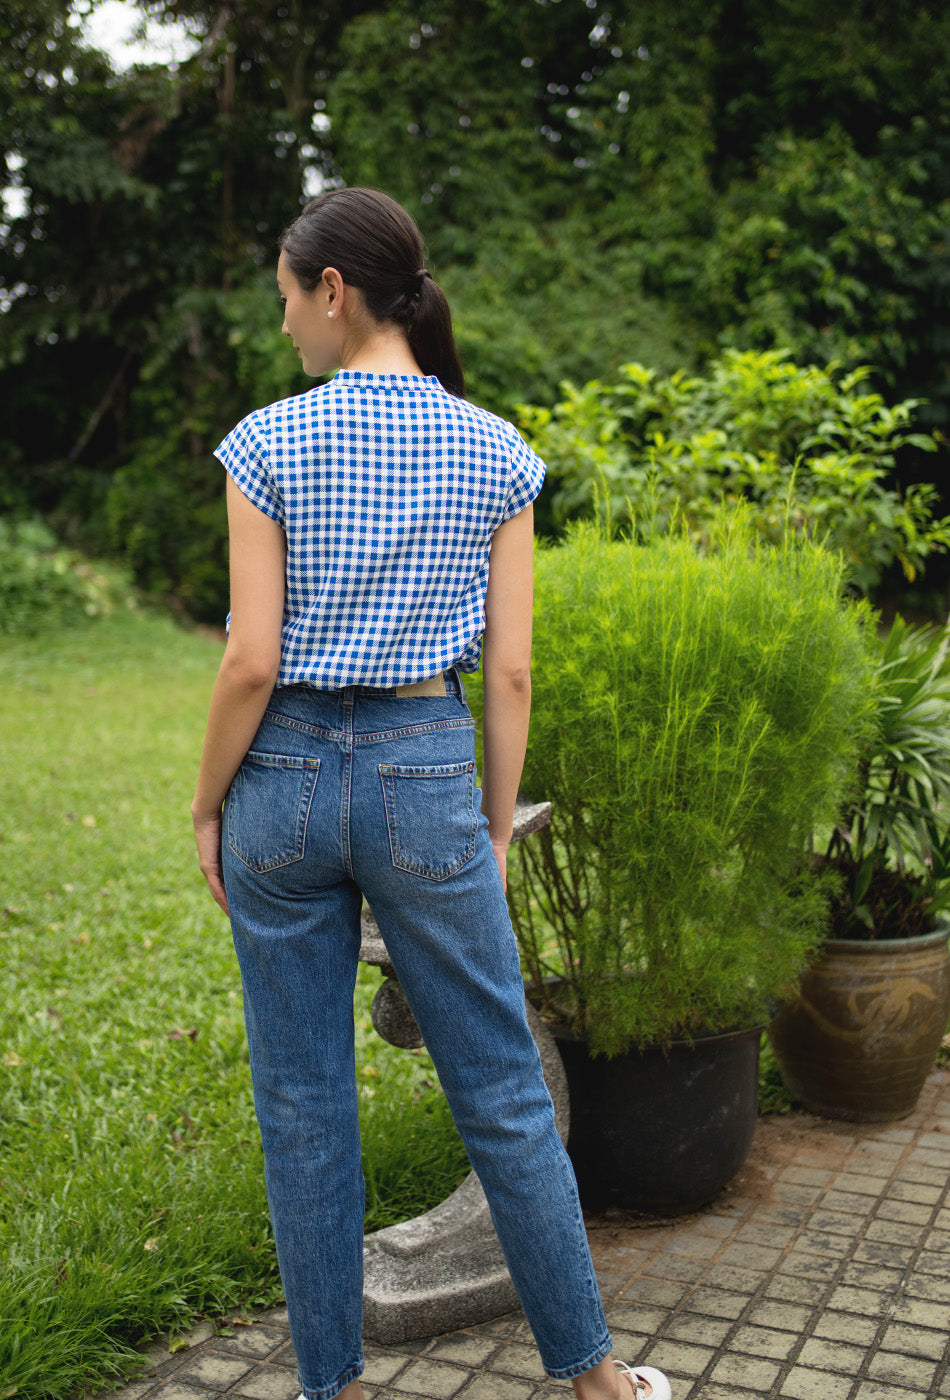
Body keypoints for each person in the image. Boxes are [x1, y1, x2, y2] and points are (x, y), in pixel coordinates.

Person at [191, 186, 671, 1400]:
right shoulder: (496, 450)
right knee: (502, 1088)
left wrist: (206, 805)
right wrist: (493, 822)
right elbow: (508, 671)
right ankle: (596, 1381)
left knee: (303, 1103)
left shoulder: (265, 443)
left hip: (281, 778)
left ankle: (334, 1386)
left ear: (333, 291)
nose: (283, 323)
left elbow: (249, 661)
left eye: (286, 298)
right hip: (423, 767)